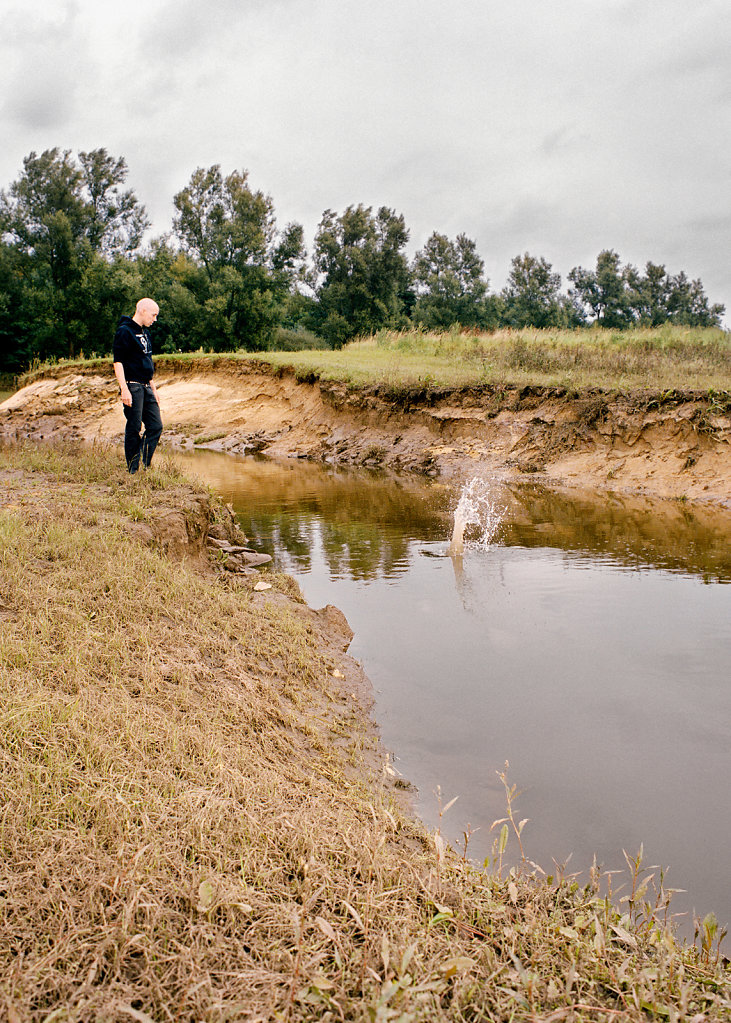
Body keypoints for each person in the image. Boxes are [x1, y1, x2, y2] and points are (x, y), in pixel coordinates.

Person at [113, 298, 163, 473]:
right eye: (153, 315)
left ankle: (143, 463)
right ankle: (133, 469)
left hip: (146, 386)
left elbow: (146, 362)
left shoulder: (146, 333)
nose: (155, 319)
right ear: (142, 311)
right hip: (132, 386)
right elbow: (118, 362)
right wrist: (124, 389)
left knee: (156, 426)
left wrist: (153, 388)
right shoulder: (124, 332)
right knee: (134, 427)